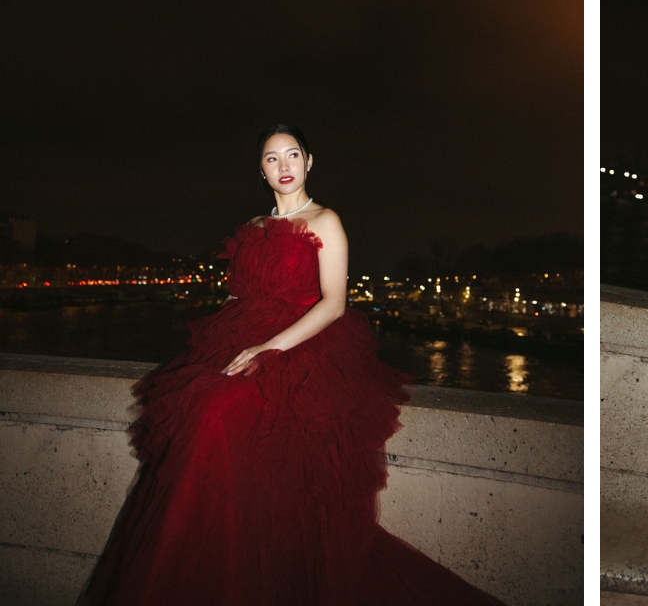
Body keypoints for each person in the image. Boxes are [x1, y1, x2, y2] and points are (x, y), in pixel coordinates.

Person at [82, 124, 506, 606]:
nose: (283, 166)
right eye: (271, 159)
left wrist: (269, 347)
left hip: (300, 349)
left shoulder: (326, 220)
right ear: (261, 171)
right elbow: (240, 293)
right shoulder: (253, 227)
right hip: (247, 338)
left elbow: (334, 304)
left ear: (308, 161)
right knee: (204, 430)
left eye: (291, 155)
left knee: (222, 418)